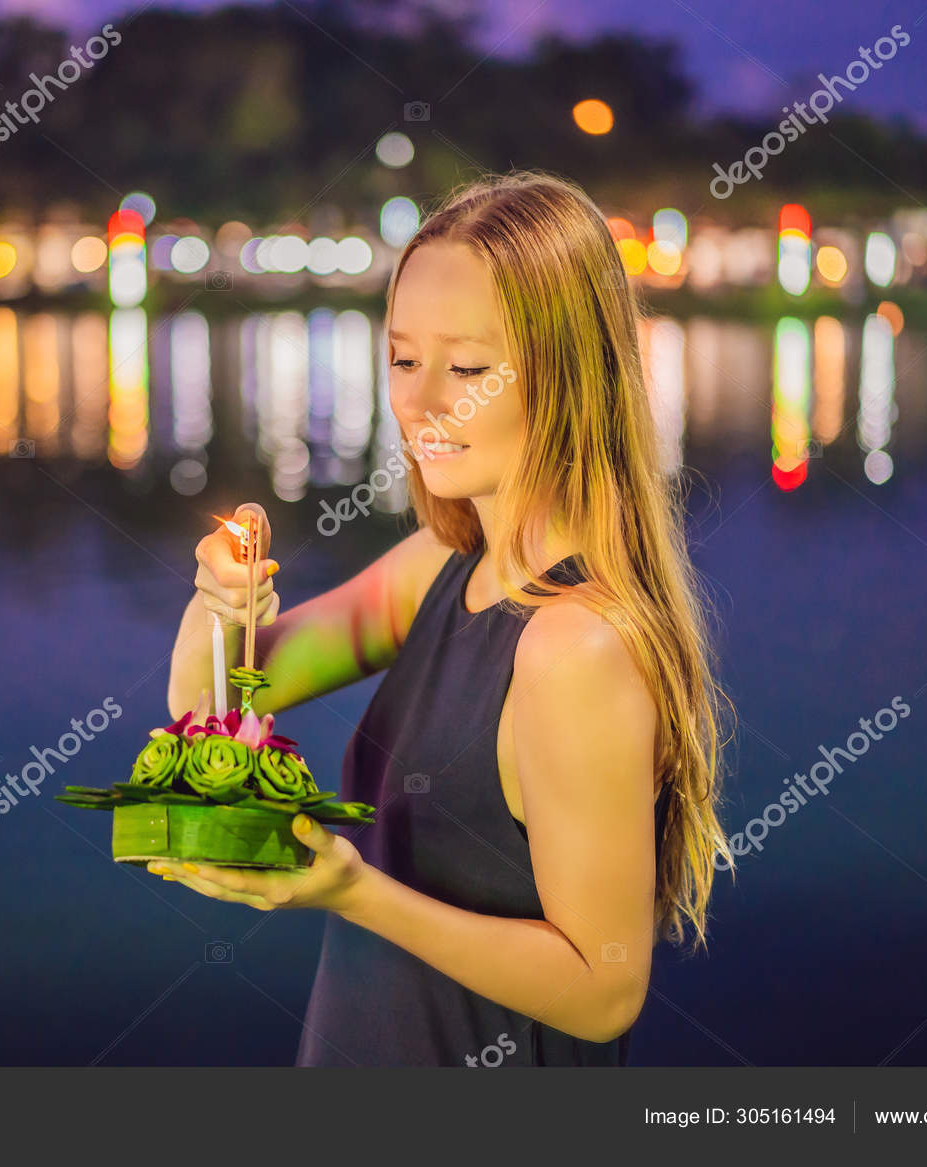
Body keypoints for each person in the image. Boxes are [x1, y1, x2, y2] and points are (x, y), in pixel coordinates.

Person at [156, 171, 734, 1066]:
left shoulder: (575, 643)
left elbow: (604, 991)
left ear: (571, 374)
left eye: (466, 368)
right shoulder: (440, 567)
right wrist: (219, 603)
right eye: (402, 358)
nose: (420, 404)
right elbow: (215, 706)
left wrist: (355, 892)